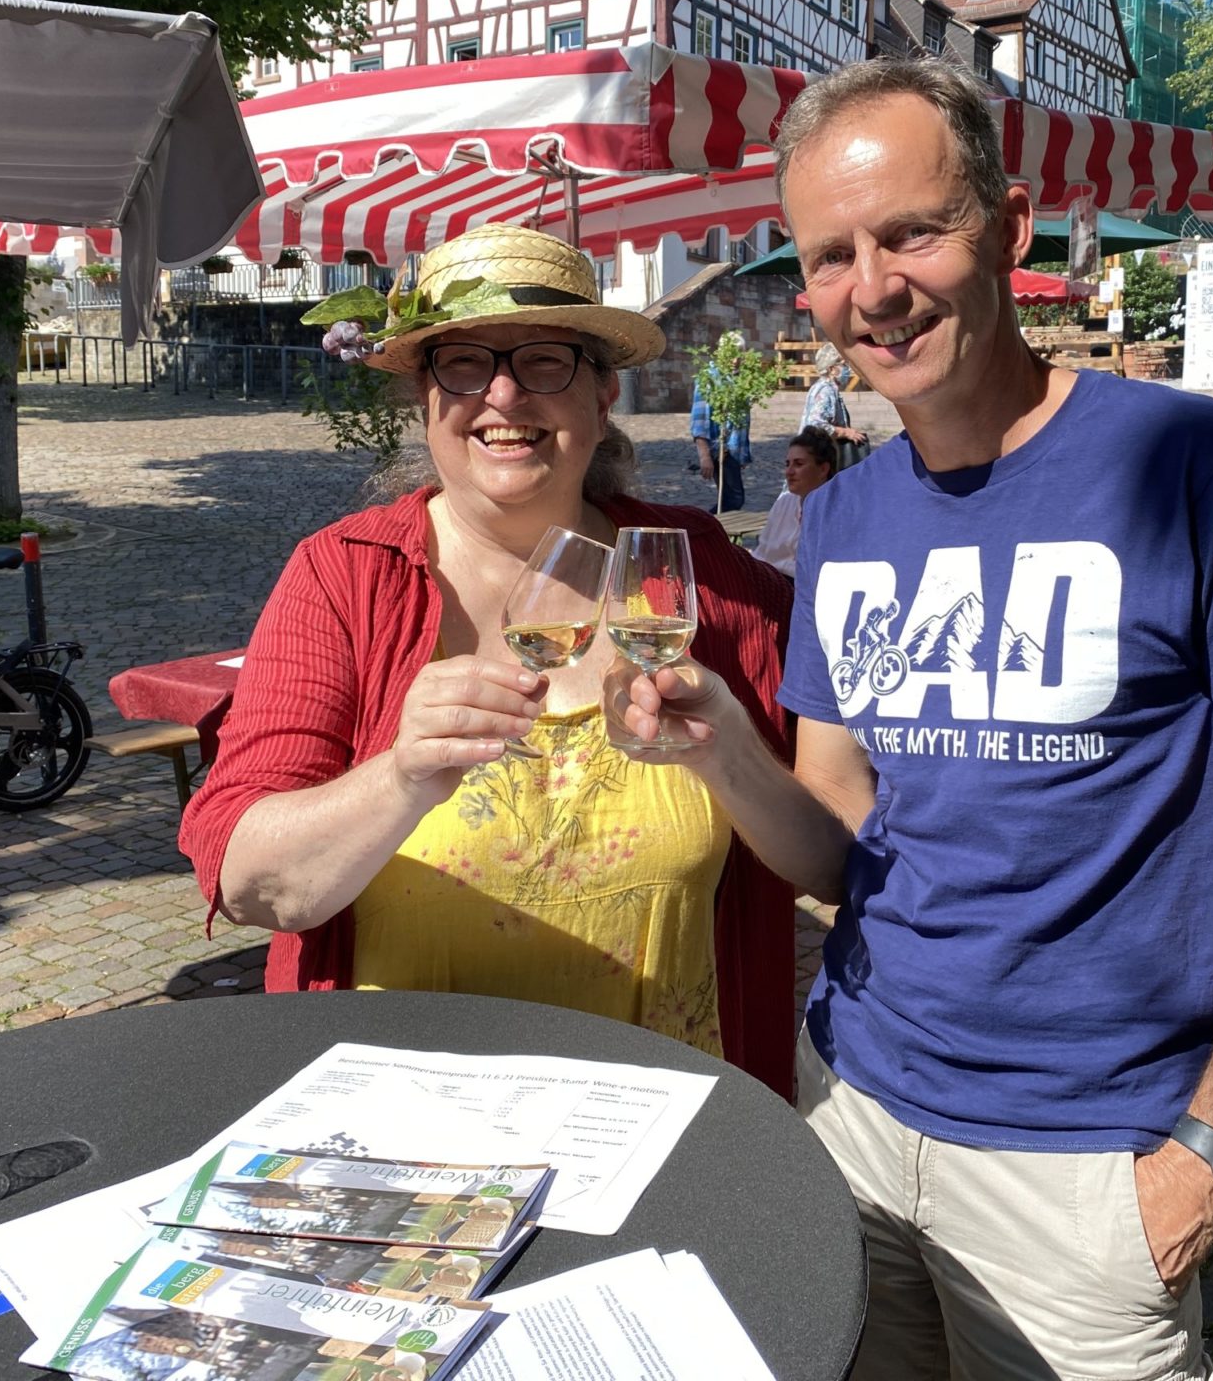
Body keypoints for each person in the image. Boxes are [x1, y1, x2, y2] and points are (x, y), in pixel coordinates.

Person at [611, 57, 1213, 1380]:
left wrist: (1212, 1147)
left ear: (1011, 230)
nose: (875, 287)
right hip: (851, 1101)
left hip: (1086, 1158)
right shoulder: (845, 517)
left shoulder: (1195, 465)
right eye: (834, 254)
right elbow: (837, 851)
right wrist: (724, 745)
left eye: (914, 229)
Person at [178, 223, 801, 1097]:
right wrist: (398, 779)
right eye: (462, 362)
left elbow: (832, 840)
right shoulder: (344, 575)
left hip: (665, 1123)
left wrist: (732, 751)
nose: (503, 396)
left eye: (545, 360)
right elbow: (249, 883)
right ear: (426, 399)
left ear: (602, 392)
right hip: (405, 1124)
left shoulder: (702, 576)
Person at [751, 426, 838, 577]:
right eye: (787, 464)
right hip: (770, 583)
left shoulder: (837, 510)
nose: (789, 472)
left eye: (798, 464)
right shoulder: (784, 503)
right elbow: (762, 553)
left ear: (823, 469)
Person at [689, 378, 751, 511]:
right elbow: (699, 421)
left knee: (731, 499)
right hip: (720, 450)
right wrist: (705, 456)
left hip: (733, 451)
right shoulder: (709, 378)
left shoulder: (742, 378)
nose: (736, 360)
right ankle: (704, 526)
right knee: (733, 500)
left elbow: (741, 421)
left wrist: (742, 454)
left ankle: (715, 528)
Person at [802, 348, 870, 465]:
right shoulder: (825, 391)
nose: (848, 369)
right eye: (844, 365)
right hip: (816, 462)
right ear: (832, 369)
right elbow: (815, 426)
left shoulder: (828, 388)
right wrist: (846, 433)